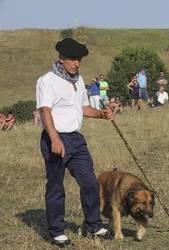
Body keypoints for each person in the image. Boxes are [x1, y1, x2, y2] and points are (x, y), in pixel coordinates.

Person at [35, 38, 114, 247]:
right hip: (56, 138)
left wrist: (101, 114)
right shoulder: (47, 81)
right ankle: (56, 231)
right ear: (61, 59)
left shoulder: (78, 80)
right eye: (73, 59)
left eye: (79, 59)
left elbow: (84, 108)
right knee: (56, 186)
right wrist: (54, 138)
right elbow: (45, 111)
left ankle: (93, 225)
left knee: (90, 182)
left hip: (77, 140)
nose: (77, 63)